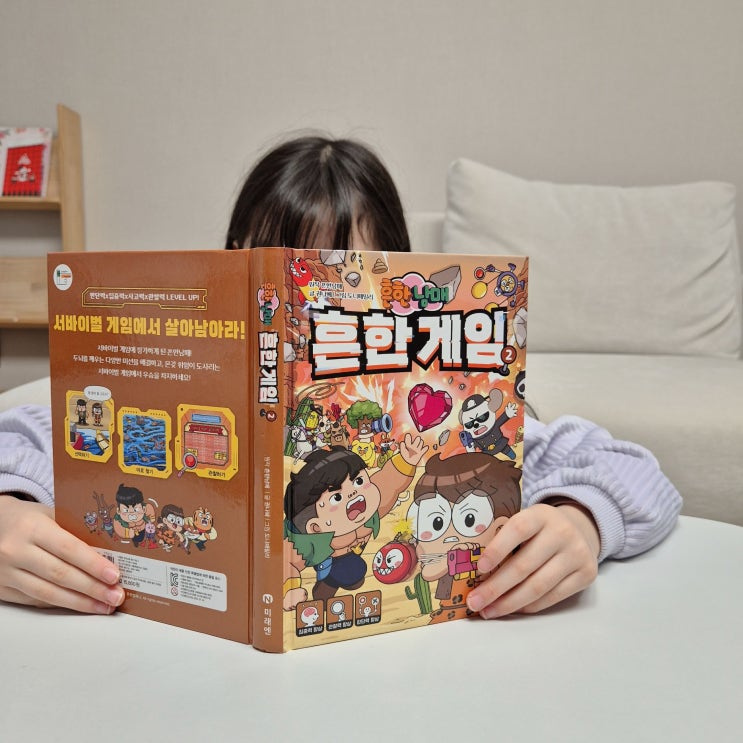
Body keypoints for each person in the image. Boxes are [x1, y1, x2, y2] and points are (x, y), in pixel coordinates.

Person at [0, 135, 682, 619]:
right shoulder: (181, 377)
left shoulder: (441, 396)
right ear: (233, 264)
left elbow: (634, 471)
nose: (305, 304)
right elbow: (29, 432)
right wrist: (9, 508)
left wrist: (582, 521)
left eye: (342, 273)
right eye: (280, 269)